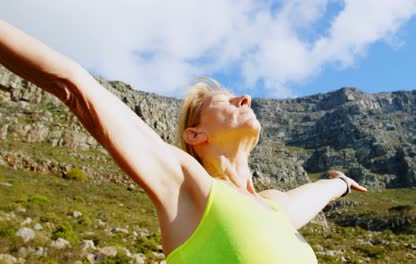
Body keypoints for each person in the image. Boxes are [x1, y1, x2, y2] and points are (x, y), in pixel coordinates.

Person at [0, 20, 367, 263]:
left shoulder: (274, 209)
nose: (245, 98)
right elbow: (74, 84)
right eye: (225, 102)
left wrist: (339, 184)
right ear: (195, 134)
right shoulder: (189, 186)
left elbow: (319, 192)